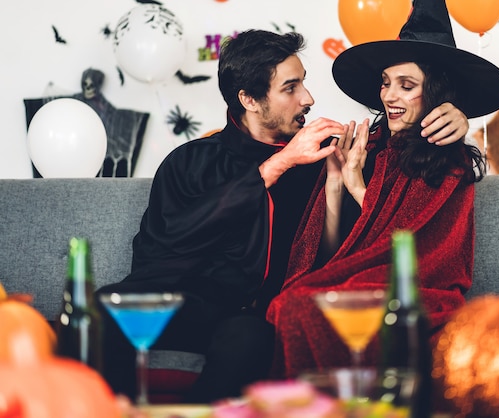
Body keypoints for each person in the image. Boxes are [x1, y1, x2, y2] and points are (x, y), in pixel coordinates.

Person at [96, 27, 472, 403]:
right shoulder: (189, 161)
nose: (308, 99)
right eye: (291, 88)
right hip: (179, 304)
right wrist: (277, 165)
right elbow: (161, 250)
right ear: (250, 99)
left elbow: (345, 244)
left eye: (303, 84)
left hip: (247, 318)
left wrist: (455, 116)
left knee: (249, 338)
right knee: (101, 308)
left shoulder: (316, 160)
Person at [266, 0, 499, 378]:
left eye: (406, 85)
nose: (389, 96)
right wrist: (335, 185)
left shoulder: (447, 157)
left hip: (418, 294)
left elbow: (415, 252)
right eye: (385, 82)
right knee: (292, 303)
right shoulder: (368, 146)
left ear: (434, 92)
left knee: (303, 307)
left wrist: (358, 187)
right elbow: (334, 257)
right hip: (355, 284)